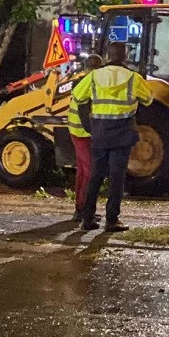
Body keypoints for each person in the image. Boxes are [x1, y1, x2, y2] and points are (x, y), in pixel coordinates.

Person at [71, 42, 153, 231]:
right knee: (117, 177)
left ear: (108, 56)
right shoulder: (133, 78)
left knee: (96, 176)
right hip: (123, 133)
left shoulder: (94, 76)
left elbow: (77, 96)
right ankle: (111, 220)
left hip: (100, 132)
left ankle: (88, 218)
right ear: (124, 56)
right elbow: (148, 100)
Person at [67, 53, 104, 222]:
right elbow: (84, 112)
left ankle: (80, 208)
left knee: (82, 172)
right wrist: (93, 132)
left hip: (76, 131)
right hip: (83, 133)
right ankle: (84, 210)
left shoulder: (80, 79)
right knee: (89, 172)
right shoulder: (89, 83)